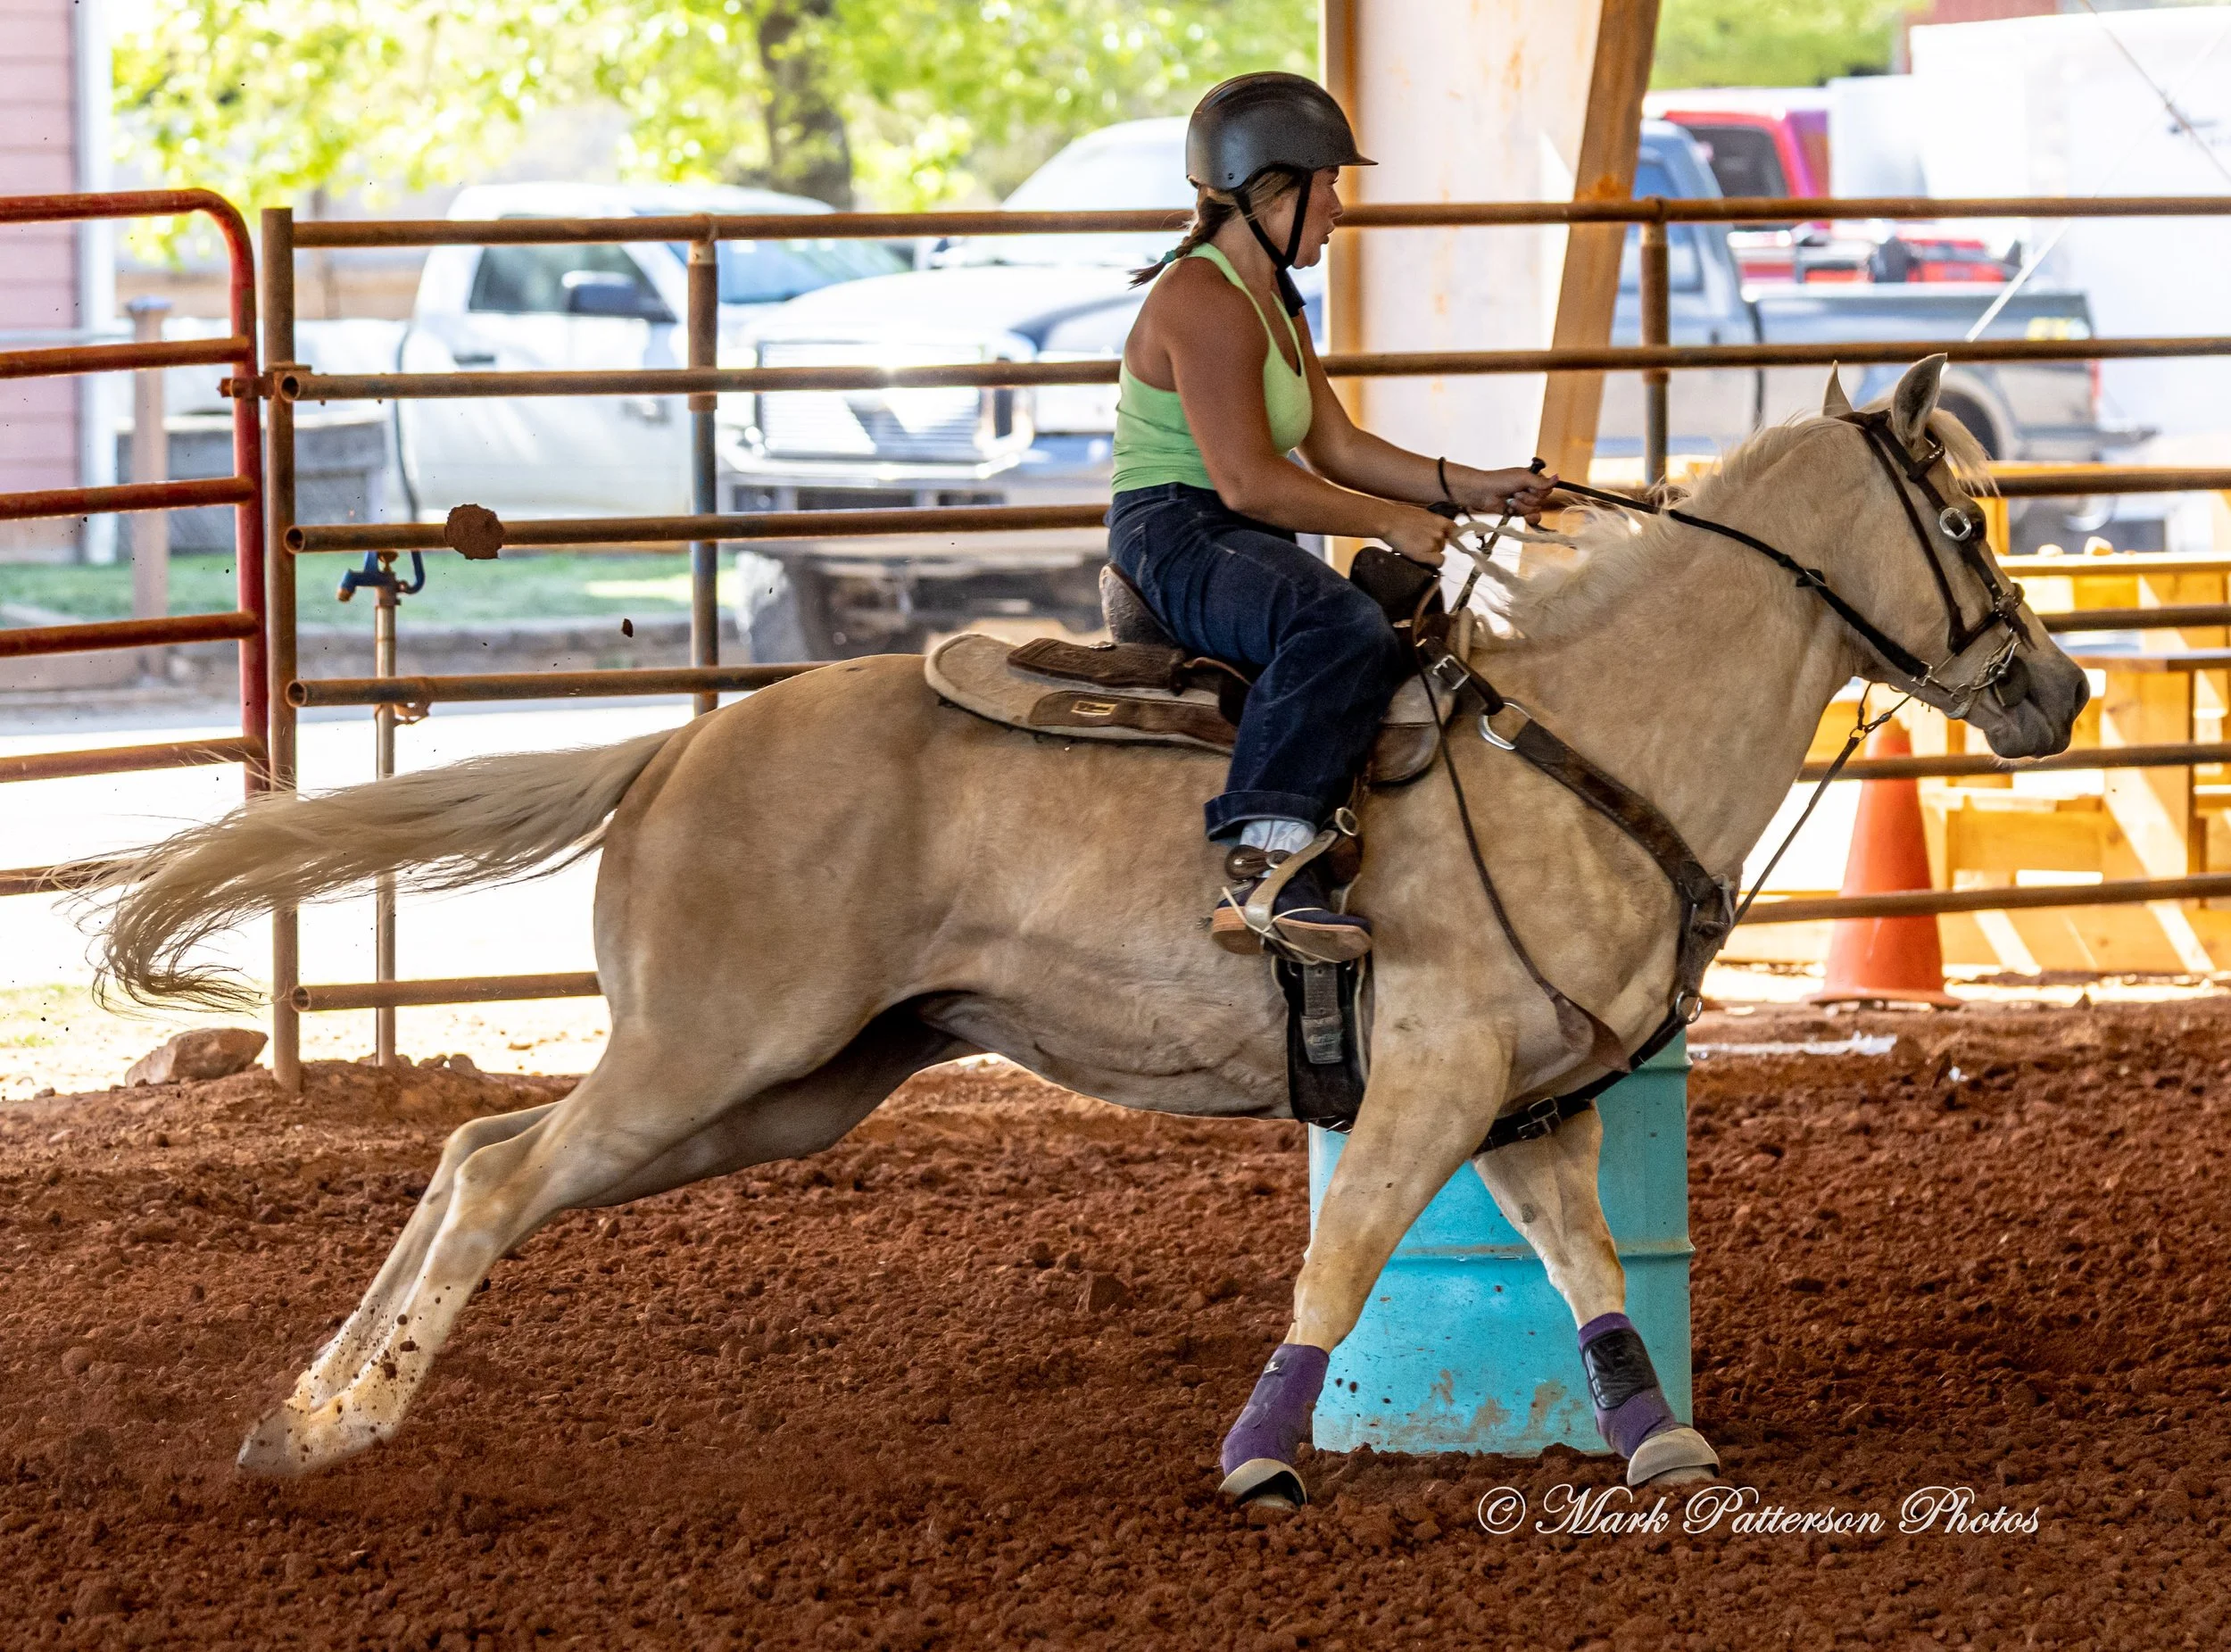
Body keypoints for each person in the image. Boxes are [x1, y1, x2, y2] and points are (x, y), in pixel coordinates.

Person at [1108, 71, 1558, 960]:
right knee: (1342, 626)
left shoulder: (1273, 299)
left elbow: (1337, 446)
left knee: (1375, 630)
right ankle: (1262, 862)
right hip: (1178, 531)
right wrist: (1388, 521)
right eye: (1330, 185)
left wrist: (1473, 486)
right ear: (1268, 188)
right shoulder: (1200, 299)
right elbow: (1245, 480)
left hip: (1228, 532)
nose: (1339, 209)